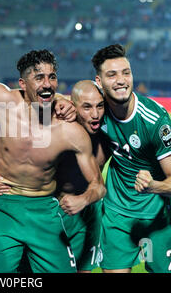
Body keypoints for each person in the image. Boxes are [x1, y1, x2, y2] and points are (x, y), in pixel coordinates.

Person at [0, 50, 104, 273]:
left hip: (45, 210)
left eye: (52, 77)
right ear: (22, 83)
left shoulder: (69, 129)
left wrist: (83, 199)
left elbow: (98, 186)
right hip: (3, 208)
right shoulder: (3, 101)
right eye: (39, 77)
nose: (47, 84)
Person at [92, 44, 171, 273]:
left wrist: (153, 185)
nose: (121, 80)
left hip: (157, 218)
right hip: (117, 214)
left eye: (126, 72)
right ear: (99, 81)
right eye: (112, 74)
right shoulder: (96, 109)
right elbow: (62, 100)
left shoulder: (154, 119)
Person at [55, 80, 110, 273]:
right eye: (86, 107)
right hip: (56, 210)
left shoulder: (110, 131)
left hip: (89, 209)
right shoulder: (57, 124)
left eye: (99, 106)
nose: (95, 114)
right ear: (73, 105)